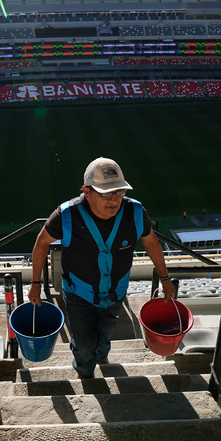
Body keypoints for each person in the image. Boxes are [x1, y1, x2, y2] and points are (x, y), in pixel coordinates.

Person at [29, 157, 176, 379]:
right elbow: (41, 243)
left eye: (119, 192)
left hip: (116, 292)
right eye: (105, 193)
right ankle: (85, 372)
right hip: (79, 293)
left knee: (106, 333)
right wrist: (35, 284)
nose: (114, 200)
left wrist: (165, 279)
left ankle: (102, 356)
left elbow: (151, 242)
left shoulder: (135, 212)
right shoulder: (66, 214)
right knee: (84, 343)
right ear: (86, 192)